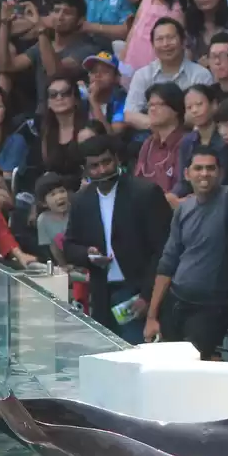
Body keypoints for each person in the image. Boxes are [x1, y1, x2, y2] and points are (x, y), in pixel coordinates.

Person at [145, 147, 228, 359]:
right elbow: (167, 262)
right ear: (187, 174)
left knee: (196, 367)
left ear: (220, 172)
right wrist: (152, 316)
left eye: (210, 168)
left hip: (210, 306)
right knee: (168, 368)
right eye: (198, 168)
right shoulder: (184, 208)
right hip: (175, 300)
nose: (204, 173)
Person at [63, 136, 172, 343]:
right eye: (94, 166)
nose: (102, 170)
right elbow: (69, 246)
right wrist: (88, 255)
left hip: (138, 292)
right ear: (84, 169)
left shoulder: (145, 193)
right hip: (102, 294)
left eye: (106, 162)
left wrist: (147, 296)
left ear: (116, 159)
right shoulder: (81, 201)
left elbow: (164, 250)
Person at [0, 0, 100, 110]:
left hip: (71, 115)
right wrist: (4, 23)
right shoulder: (42, 45)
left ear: (80, 20)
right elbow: (5, 66)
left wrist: (41, 29)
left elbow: (54, 73)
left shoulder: (88, 49)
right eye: (56, 11)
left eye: (67, 13)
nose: (60, 17)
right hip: (41, 115)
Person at [124, 18, 214, 131]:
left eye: (171, 38)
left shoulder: (201, 75)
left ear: (183, 41)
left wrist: (168, 125)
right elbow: (130, 114)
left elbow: (204, 114)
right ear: (152, 45)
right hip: (151, 135)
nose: (165, 44)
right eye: (159, 39)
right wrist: (160, 125)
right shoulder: (142, 75)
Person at [134, 82, 188, 197]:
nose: (152, 109)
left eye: (159, 104)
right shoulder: (148, 143)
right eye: (150, 105)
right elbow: (137, 181)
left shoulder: (186, 142)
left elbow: (183, 185)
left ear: (176, 109)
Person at [34, 172, 70, 267]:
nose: (59, 196)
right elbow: (53, 247)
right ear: (44, 203)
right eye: (52, 194)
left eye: (62, 191)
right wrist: (63, 266)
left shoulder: (76, 210)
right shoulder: (43, 220)